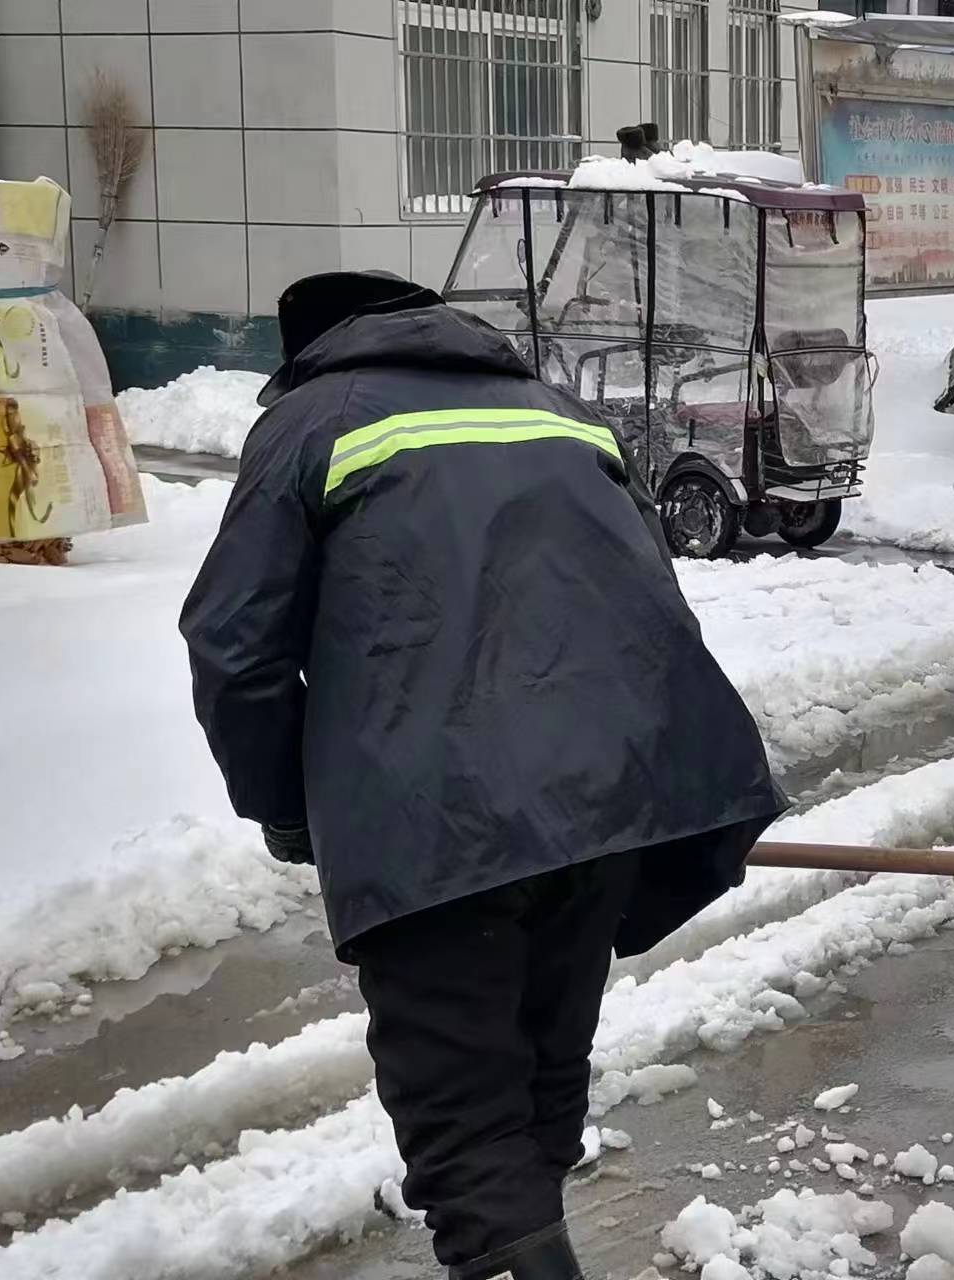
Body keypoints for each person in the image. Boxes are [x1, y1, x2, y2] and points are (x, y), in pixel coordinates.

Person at [180, 271, 788, 1280]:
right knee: (539, 1093)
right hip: (597, 815)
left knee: (464, 1127)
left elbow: (234, 647)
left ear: (309, 349)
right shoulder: (560, 415)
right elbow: (650, 597)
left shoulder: (308, 422)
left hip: (436, 832)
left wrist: (290, 810)